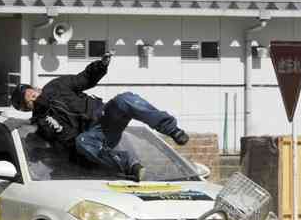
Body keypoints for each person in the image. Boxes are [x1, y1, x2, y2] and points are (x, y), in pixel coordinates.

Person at [10, 52, 188, 182]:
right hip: (90, 138)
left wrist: (100, 66)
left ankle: (172, 129)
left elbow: (84, 79)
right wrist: (45, 110)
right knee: (83, 142)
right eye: (30, 102)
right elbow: (68, 142)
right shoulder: (42, 122)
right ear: (28, 109)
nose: (35, 98)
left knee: (125, 99)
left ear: (34, 88)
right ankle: (130, 166)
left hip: (104, 120)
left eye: (32, 94)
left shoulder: (56, 85)